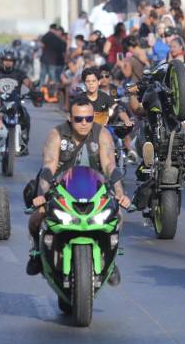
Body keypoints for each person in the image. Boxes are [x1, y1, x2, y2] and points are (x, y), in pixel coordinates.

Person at [25, 95, 131, 278]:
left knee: (118, 217)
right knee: (38, 216)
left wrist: (121, 195)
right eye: (79, 119)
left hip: (95, 190)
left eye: (89, 118)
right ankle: (36, 253)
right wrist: (41, 194)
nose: (84, 123)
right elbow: (49, 165)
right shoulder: (56, 134)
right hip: (60, 188)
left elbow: (110, 166)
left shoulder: (103, 134)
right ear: (70, 118)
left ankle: (110, 261)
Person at [0, 49, 37, 153]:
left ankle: (24, 142)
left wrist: (33, 88)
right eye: (6, 60)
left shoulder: (18, 73)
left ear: (14, 62)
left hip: (15, 103)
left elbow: (28, 82)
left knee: (25, 116)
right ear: (1, 61)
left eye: (10, 61)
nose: (8, 62)